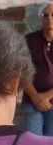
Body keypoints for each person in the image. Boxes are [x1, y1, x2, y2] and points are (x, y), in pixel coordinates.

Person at [22, 2, 53, 136]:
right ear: (41, 18)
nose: (49, 18)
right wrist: (35, 97)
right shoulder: (29, 40)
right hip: (31, 101)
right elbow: (21, 70)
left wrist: (45, 97)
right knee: (32, 144)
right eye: (45, 15)